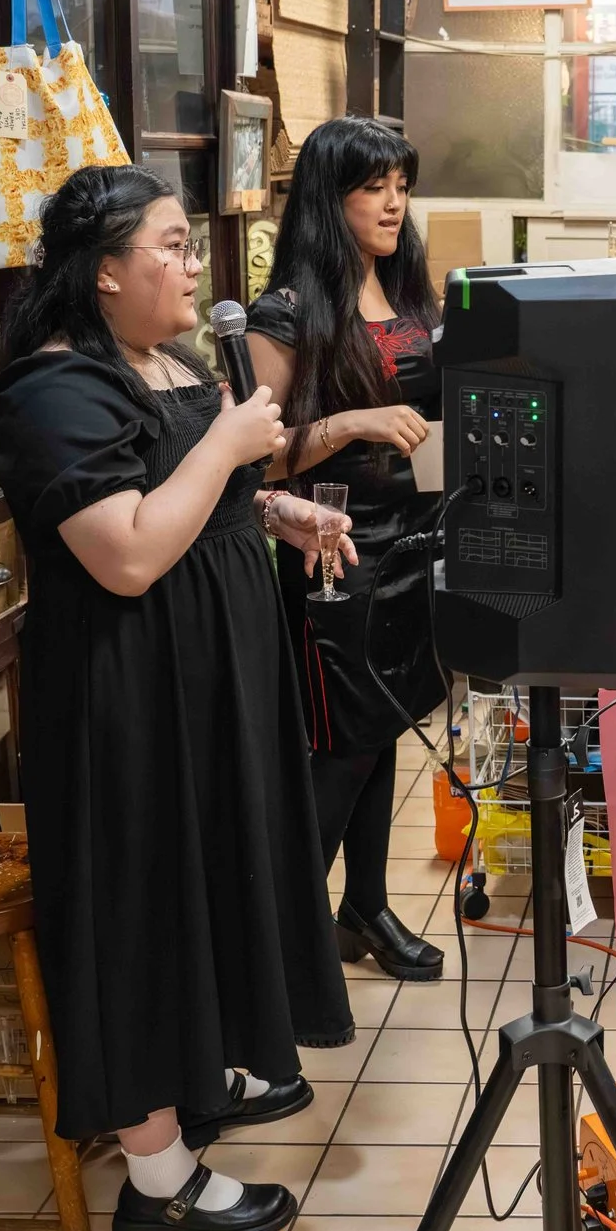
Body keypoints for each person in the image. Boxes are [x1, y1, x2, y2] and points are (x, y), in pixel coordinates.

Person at [0, 166, 355, 1231]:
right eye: (172, 244)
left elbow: (195, 493)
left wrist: (276, 507)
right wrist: (230, 448)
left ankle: (197, 1077)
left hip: (212, 685)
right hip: (127, 698)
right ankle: (156, 1172)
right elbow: (132, 550)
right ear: (103, 270)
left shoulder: (166, 359)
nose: (197, 264)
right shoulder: (51, 391)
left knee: (205, 882)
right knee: (142, 902)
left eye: (193, 244)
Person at [246, 117, 448, 983]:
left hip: (412, 547)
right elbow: (255, 453)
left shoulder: (403, 291)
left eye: (402, 183)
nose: (394, 201)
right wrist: (352, 422)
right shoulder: (286, 311)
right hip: (331, 553)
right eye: (374, 186)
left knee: (387, 727)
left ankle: (363, 906)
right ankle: (282, 943)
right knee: (341, 746)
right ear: (332, 198)